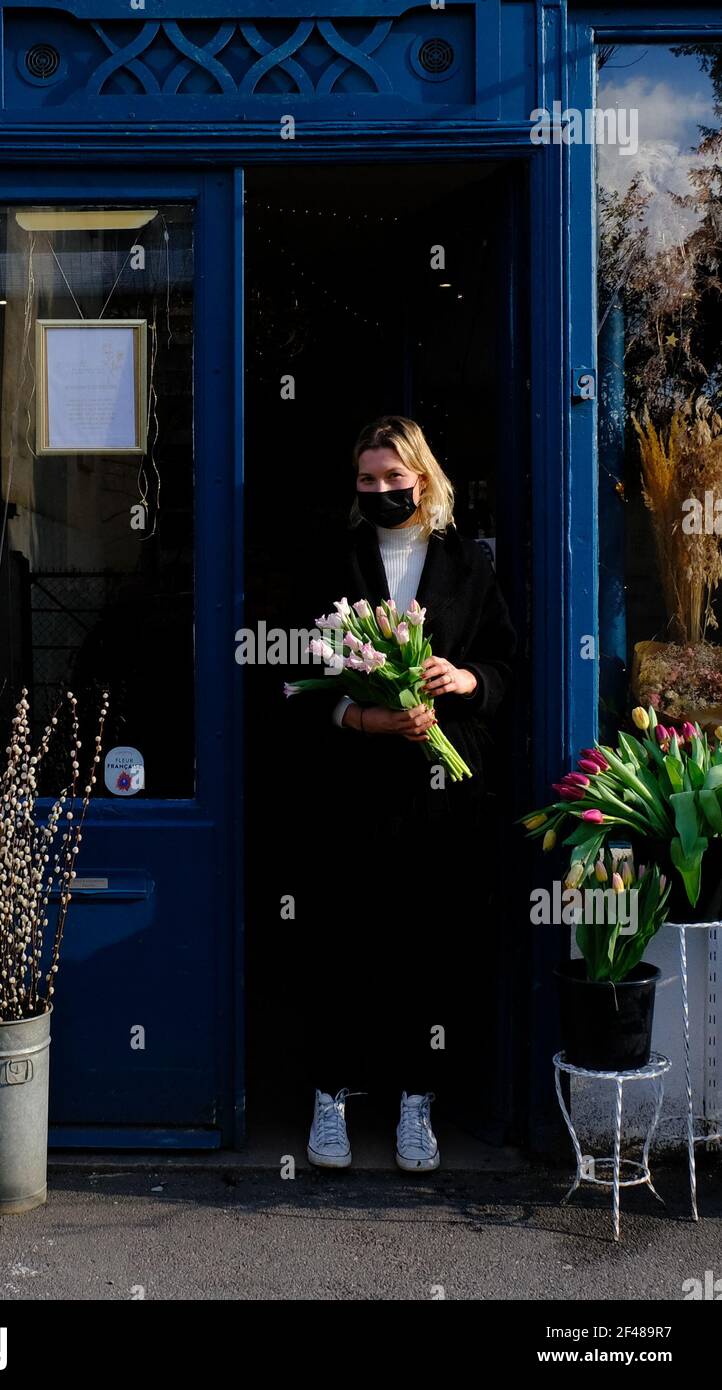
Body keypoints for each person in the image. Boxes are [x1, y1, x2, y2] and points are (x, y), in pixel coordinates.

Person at [285, 416, 517, 1173]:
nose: (381, 490)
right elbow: (292, 674)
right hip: (352, 789)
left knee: (431, 944)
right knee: (342, 940)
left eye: (393, 477)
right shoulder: (333, 557)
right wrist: (360, 716)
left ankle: (419, 1103)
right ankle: (332, 1095)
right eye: (367, 479)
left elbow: (506, 665)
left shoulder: (468, 564)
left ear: (422, 476)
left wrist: (467, 679)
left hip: (440, 793)